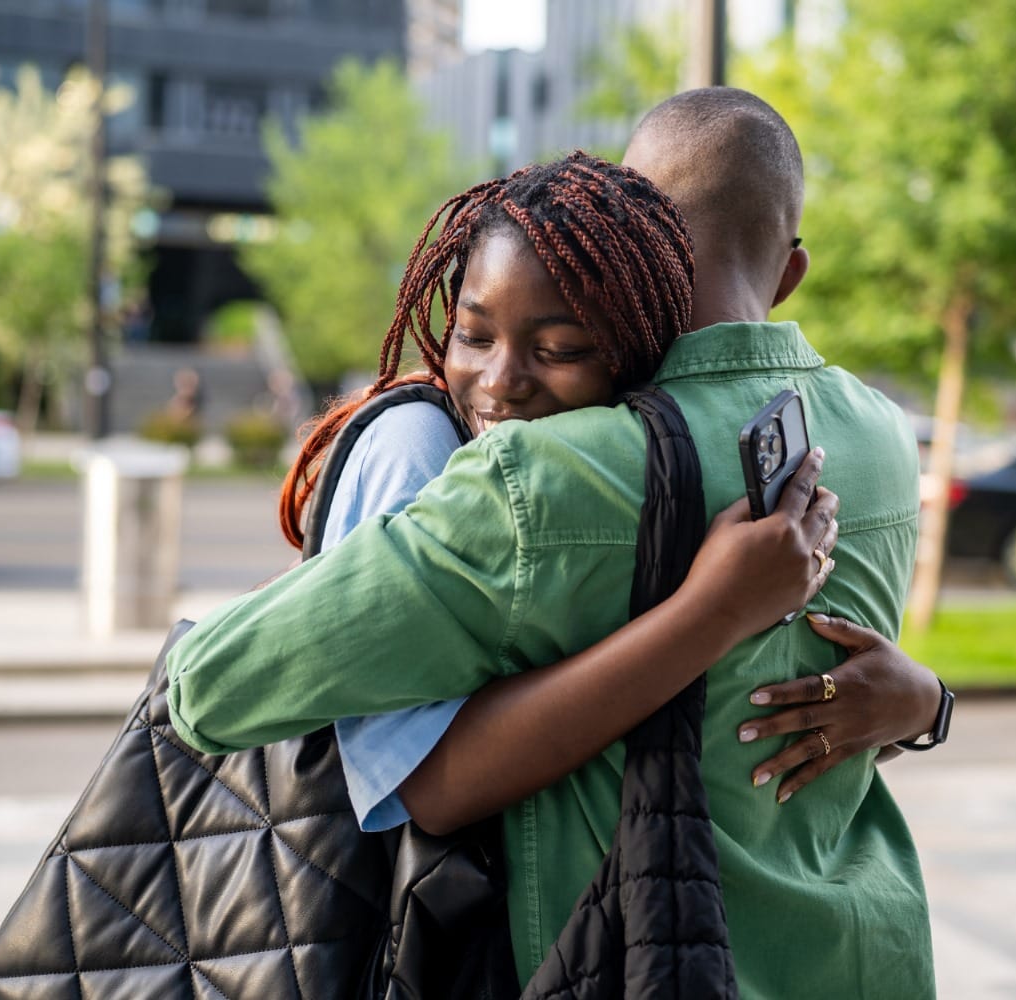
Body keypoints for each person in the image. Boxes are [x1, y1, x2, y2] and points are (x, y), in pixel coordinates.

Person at [169, 90, 937, 997]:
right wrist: (928, 707)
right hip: (865, 952)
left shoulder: (554, 475)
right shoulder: (881, 436)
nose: (503, 377)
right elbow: (787, 725)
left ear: (618, 245)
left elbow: (212, 687)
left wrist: (719, 616)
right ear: (791, 270)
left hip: (634, 964)